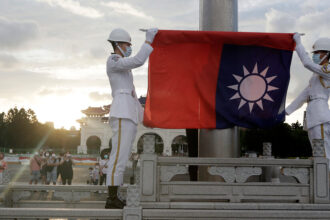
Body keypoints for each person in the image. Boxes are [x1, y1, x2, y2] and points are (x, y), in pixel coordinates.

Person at [105, 27, 158, 209]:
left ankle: (115, 195)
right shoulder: (113, 60)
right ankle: (111, 198)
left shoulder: (125, 70)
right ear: (118, 44)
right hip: (121, 112)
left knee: (123, 155)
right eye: (127, 44)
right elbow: (138, 60)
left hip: (128, 113)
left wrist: (145, 119)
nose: (129, 47)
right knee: (118, 155)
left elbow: (135, 98)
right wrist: (148, 42)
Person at [286, 33, 330, 165]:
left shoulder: (327, 69)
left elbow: (307, 63)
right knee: (317, 152)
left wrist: (298, 44)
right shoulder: (315, 76)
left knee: (323, 152)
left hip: (320, 116)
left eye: (318, 52)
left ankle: (326, 181)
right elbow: (304, 95)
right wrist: (286, 112)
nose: (315, 55)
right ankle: (322, 180)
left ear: (327, 54)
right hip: (313, 114)